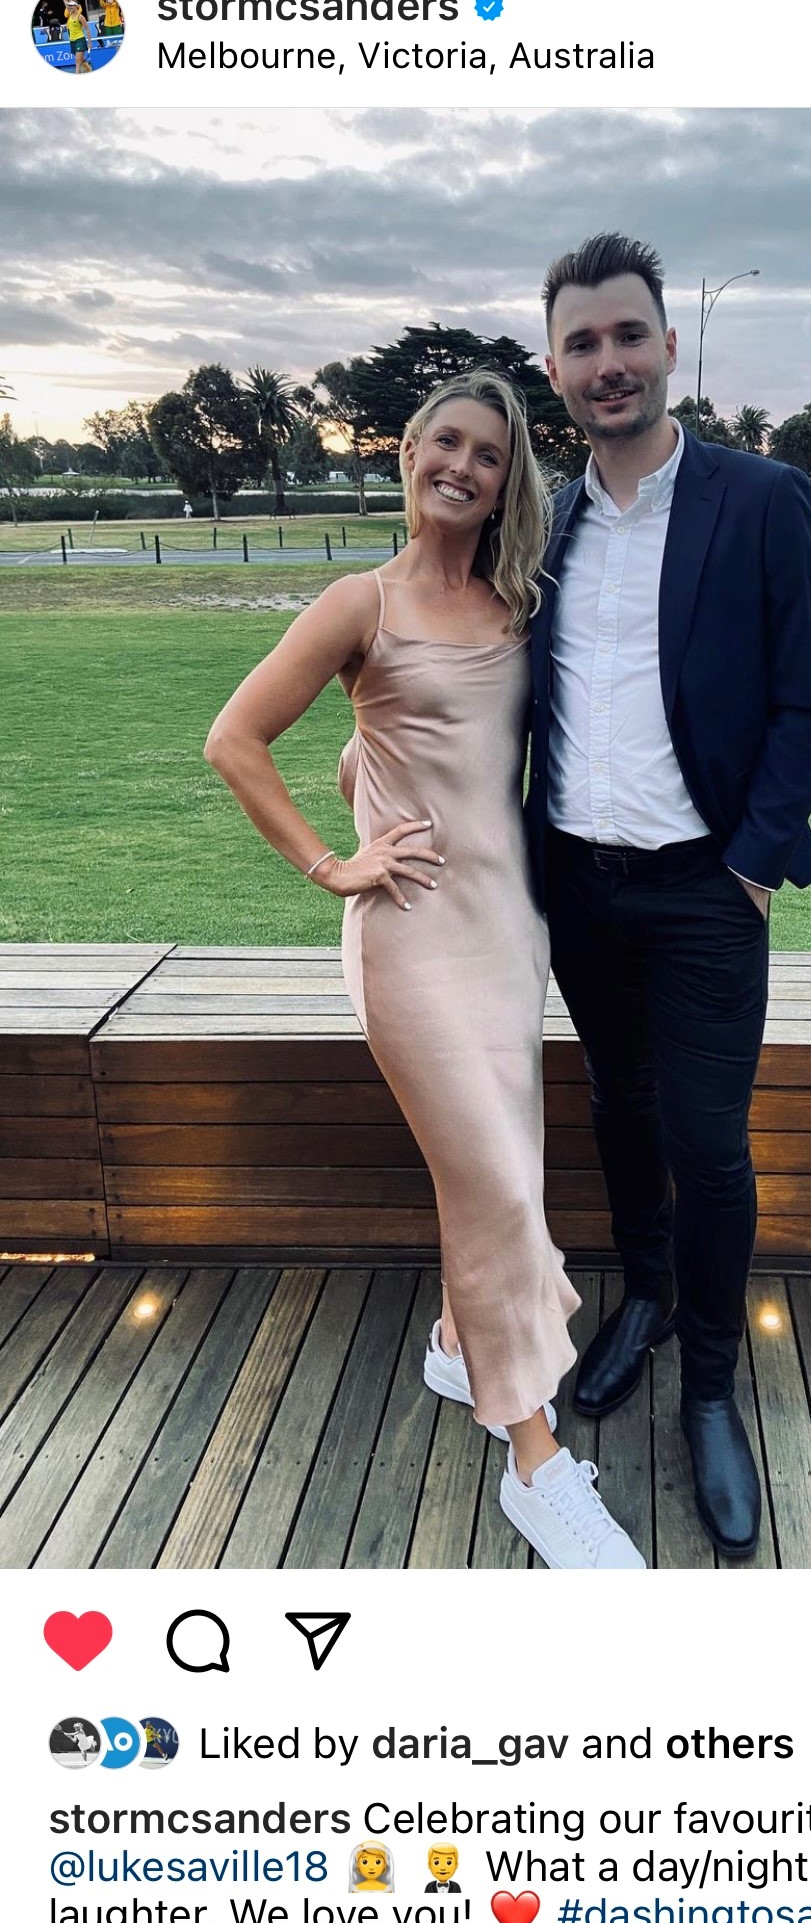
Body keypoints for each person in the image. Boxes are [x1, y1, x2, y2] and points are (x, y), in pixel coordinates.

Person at [204, 369, 644, 1571]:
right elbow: (235, 738)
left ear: (507, 482)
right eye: (445, 442)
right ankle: (536, 1464)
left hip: (508, 935)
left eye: (488, 455)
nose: (463, 465)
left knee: (496, 1168)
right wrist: (330, 864)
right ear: (407, 452)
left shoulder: (519, 601)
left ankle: (461, 1343)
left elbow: (428, 747)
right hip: (407, 937)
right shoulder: (361, 602)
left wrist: (370, 776)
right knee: (497, 1185)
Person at [528, 235, 811, 1557]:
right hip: (575, 884)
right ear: (555, 368)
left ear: (666, 347)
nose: (607, 362)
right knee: (618, 1100)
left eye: (626, 335)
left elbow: (802, 706)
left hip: (709, 886)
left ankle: (710, 1384)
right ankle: (644, 1296)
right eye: (581, 343)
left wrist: (752, 866)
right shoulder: (545, 518)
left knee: (709, 1142)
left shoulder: (761, 499)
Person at [62, 0, 92, 72]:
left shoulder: (80, 17)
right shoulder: (70, 13)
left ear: (76, 6)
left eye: (72, 5)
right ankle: (89, 71)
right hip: (72, 40)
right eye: (69, 5)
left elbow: (87, 29)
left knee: (77, 62)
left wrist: (89, 43)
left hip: (80, 40)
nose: (70, 7)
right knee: (81, 60)